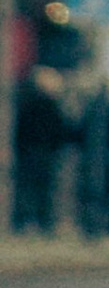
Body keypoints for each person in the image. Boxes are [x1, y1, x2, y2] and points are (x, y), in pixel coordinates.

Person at [9, 64, 68, 235]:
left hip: (31, 153)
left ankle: (26, 222)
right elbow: (59, 131)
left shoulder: (26, 103)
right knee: (42, 190)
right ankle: (41, 222)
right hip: (43, 154)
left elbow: (20, 130)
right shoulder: (51, 106)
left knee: (30, 189)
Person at [72, 72, 109, 239]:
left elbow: (78, 133)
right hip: (104, 159)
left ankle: (94, 227)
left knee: (93, 193)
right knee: (106, 195)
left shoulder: (89, 109)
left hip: (91, 159)